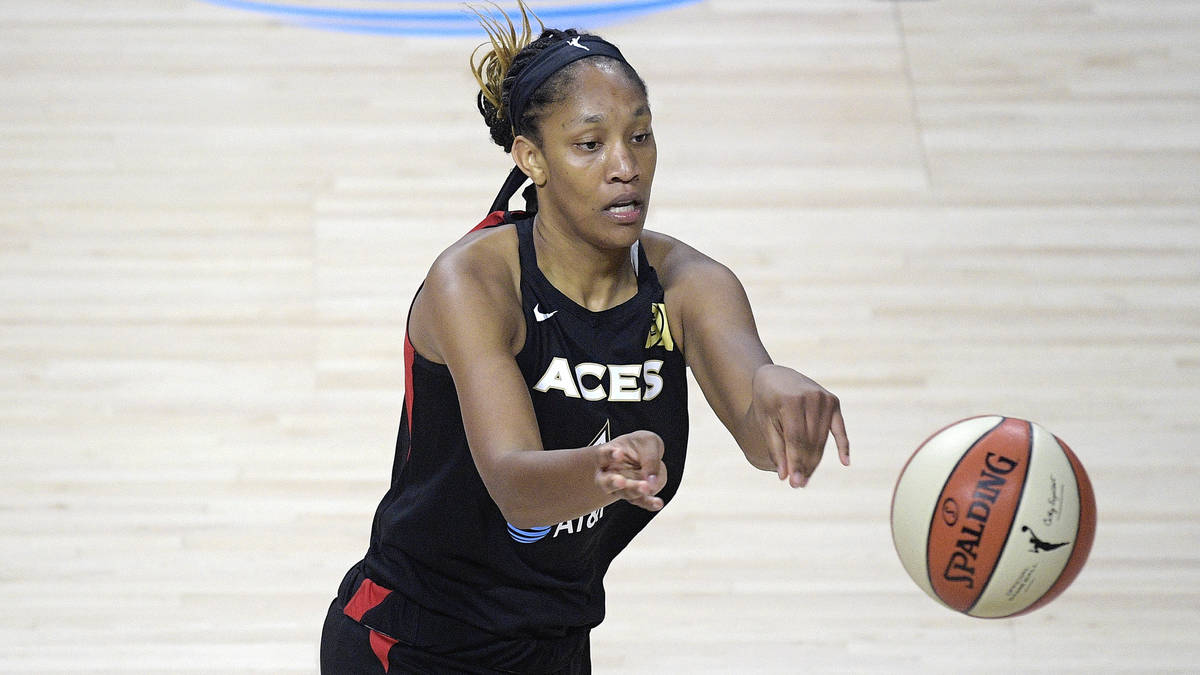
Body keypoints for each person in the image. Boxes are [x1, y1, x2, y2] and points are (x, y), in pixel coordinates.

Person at [320, 3, 850, 672]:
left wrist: (777, 393)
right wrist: (602, 468)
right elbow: (515, 484)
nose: (625, 166)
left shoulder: (691, 285)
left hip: (554, 645)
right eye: (590, 144)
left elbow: (756, 427)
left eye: (642, 136)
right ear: (532, 159)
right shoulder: (475, 283)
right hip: (413, 641)